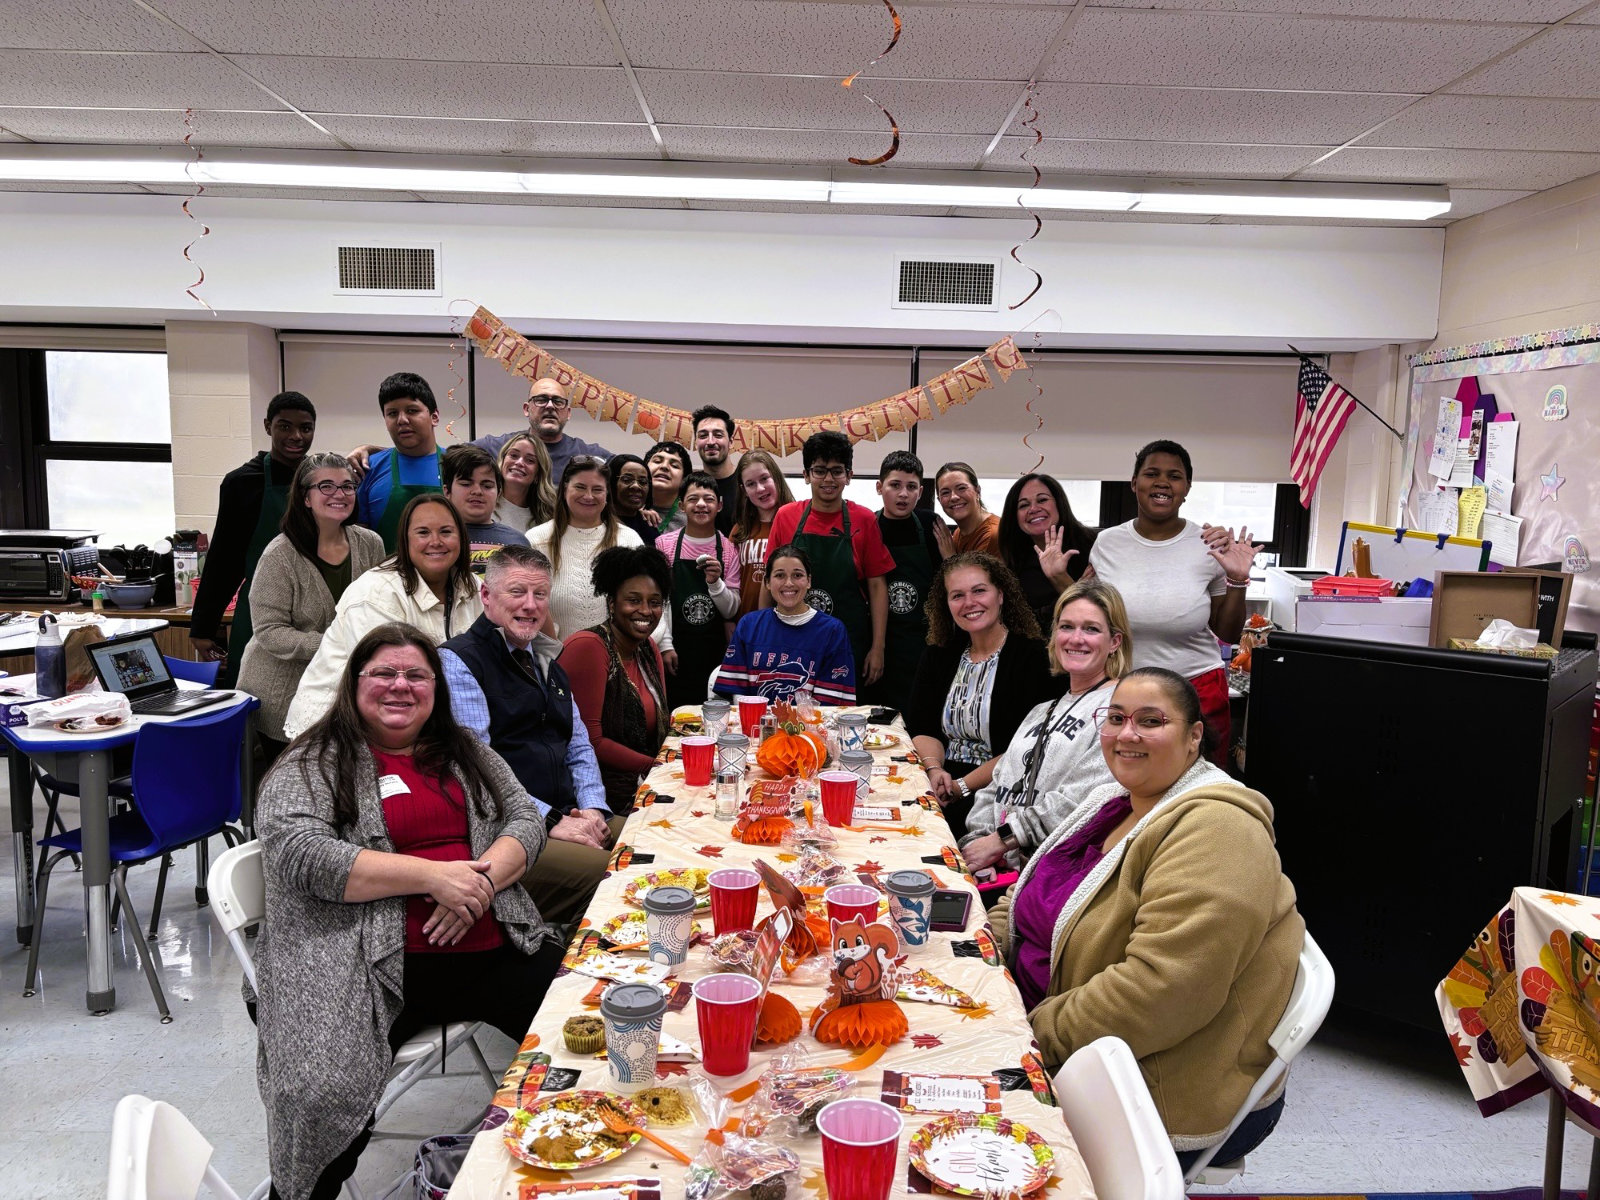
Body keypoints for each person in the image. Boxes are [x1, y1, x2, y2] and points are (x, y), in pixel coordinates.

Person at [254, 623, 563, 1200]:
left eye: (417, 675)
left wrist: (479, 885)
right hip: (364, 971)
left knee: (582, 1017)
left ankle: (571, 1156)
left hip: (490, 951)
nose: (401, 686)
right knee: (323, 1094)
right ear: (354, 684)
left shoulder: (465, 751)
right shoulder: (313, 762)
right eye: (384, 673)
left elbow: (524, 817)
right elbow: (300, 853)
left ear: (436, 689)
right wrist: (432, 877)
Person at [988, 667, 1302, 1169]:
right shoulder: (1115, 800)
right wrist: (982, 952)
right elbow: (1033, 892)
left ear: (1194, 735)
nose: (1127, 734)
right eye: (1115, 718)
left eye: (1151, 720)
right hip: (1051, 1028)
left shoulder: (1219, 831)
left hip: (1151, 1078)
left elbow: (1160, 992)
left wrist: (1025, 1035)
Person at [438, 545, 618, 926]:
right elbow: (479, 768)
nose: (531, 605)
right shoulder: (460, 661)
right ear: (487, 595)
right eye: (517, 592)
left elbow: (579, 743)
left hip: (567, 809)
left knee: (645, 839)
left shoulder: (546, 658)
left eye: (540, 594)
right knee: (614, 876)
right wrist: (554, 821)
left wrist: (593, 808)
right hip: (509, 831)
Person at [1086, 440, 1259, 767]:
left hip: (1196, 690)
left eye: (1174, 476)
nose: (1163, 482)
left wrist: (1237, 580)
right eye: (1152, 473)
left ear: (1187, 488)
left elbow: (1228, 634)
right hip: (1124, 689)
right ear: (1134, 483)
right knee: (1127, 788)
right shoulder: (1107, 543)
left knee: (1198, 793)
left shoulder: (1208, 544)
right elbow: (1093, 615)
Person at [959, 579, 1130, 875]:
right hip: (1000, 871)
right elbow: (996, 784)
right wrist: (979, 840)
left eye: (1091, 629)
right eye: (1066, 627)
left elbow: (1089, 798)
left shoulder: (1121, 710)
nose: (1076, 639)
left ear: (1114, 641)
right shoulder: (1041, 711)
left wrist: (1003, 840)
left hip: (1054, 876)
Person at [284, 495, 482, 739]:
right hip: (340, 728)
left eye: (446, 531)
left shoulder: (472, 586)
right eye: (422, 532)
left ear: (461, 538)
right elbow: (384, 682)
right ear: (405, 541)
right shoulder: (375, 594)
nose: (436, 541)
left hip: (418, 719)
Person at [907, 553, 1066, 839]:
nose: (969, 603)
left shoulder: (1034, 658)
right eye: (957, 595)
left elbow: (1028, 747)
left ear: (1001, 595)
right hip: (938, 782)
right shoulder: (939, 653)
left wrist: (962, 786)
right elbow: (922, 725)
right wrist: (933, 770)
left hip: (1002, 790)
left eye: (979, 590)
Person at [236, 452, 386, 753]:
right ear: (306, 497)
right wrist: (335, 645)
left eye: (347, 486)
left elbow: (377, 608)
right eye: (326, 486)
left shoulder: (371, 544)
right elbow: (270, 631)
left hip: (343, 691)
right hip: (281, 695)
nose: (339, 494)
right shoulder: (280, 555)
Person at [191, 390, 316, 687]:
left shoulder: (323, 480)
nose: (296, 436)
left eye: (306, 428)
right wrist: (203, 626)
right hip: (260, 609)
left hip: (314, 610)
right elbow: (224, 558)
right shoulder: (242, 483)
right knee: (254, 692)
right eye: (285, 426)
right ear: (267, 426)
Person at [764, 431, 891, 687]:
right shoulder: (786, 516)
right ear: (806, 475)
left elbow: (877, 587)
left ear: (849, 475)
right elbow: (769, 581)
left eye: (837, 471)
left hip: (848, 642)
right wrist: (762, 636)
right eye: (820, 470)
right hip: (791, 640)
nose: (828, 479)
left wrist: (878, 648)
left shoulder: (864, 520)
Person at [560, 546, 672, 814]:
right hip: (596, 802)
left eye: (654, 602)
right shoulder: (589, 647)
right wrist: (658, 765)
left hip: (647, 787)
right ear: (611, 603)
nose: (645, 611)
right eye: (633, 600)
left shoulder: (648, 649)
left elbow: (662, 723)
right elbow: (589, 741)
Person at [714, 544, 856, 705]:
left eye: (797, 575)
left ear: (809, 581)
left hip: (810, 728)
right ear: (767, 582)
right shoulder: (749, 625)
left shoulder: (832, 630)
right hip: (754, 725)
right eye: (780, 575)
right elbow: (737, 695)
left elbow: (830, 706)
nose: (789, 583)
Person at [528, 456, 644, 640]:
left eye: (597, 489)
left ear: (607, 495)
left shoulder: (628, 539)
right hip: (552, 660)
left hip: (619, 659)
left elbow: (650, 602)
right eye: (580, 487)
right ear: (565, 488)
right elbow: (526, 607)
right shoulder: (536, 540)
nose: (588, 496)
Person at [870, 450, 950, 712]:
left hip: (922, 643)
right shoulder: (868, 525)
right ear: (880, 487)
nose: (903, 494)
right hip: (880, 642)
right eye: (895, 485)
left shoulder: (930, 524)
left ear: (920, 490)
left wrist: (951, 559)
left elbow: (947, 583)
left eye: (911, 487)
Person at [655, 472, 741, 706]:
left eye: (708, 499)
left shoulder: (728, 549)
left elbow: (731, 609)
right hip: (676, 650)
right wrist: (665, 645)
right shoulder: (665, 545)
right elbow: (659, 601)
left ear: (720, 505)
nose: (701, 504)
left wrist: (715, 583)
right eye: (693, 499)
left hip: (714, 653)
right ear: (681, 505)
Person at [354, 372, 444, 552]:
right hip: (384, 577)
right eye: (392, 413)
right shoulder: (368, 468)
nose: (402, 420)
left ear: (434, 417)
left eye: (412, 410)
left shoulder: (458, 466)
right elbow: (358, 543)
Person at [998, 473, 1098, 631]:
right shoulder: (1013, 560)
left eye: (1042, 500)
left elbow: (1103, 615)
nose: (1033, 509)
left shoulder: (1095, 545)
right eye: (1023, 505)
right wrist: (1072, 589)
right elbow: (1022, 625)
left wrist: (1061, 579)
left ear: (1059, 503)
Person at [473, 376, 612, 486]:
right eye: (541, 400)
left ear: (568, 413)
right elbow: (452, 455)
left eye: (558, 401)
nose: (550, 406)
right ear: (527, 409)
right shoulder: (500, 446)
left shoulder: (587, 453)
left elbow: (628, 467)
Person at [441, 443, 529, 572]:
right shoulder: (433, 540)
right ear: (447, 491)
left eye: (487, 486)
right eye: (466, 484)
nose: (477, 491)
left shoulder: (518, 542)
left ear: (498, 493)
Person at [729, 449, 794, 617]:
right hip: (744, 625)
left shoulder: (797, 524)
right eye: (751, 484)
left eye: (765, 479)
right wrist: (727, 621)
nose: (760, 488)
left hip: (787, 623)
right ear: (744, 490)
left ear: (776, 477)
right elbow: (730, 585)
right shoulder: (739, 531)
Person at [691, 404, 741, 533]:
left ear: (730, 442)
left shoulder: (748, 483)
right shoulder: (689, 486)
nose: (711, 442)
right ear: (696, 442)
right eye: (703, 436)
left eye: (718, 435)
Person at [494, 432, 556, 533]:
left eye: (530, 460)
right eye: (514, 455)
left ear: (538, 474)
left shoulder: (548, 519)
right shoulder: (483, 504)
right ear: (502, 461)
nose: (519, 463)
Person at [935, 462, 1000, 556]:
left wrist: (949, 557)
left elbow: (972, 571)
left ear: (978, 491)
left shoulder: (992, 535)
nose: (954, 497)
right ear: (939, 500)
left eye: (961, 488)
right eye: (945, 492)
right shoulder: (959, 533)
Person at [608, 453, 658, 542]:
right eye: (627, 480)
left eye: (642, 482)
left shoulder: (649, 526)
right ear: (612, 483)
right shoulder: (595, 521)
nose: (636, 486)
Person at [645, 441, 692, 534]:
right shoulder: (624, 507)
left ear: (684, 479)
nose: (664, 466)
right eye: (657, 461)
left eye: (674, 465)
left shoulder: (691, 520)